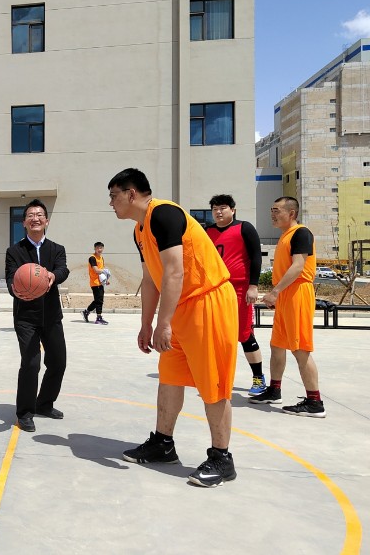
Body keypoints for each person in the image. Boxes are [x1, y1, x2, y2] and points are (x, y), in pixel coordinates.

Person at [108, 168, 239, 488]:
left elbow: (174, 272)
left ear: (131, 194)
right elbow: (151, 278)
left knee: (214, 384)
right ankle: (163, 443)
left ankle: (222, 458)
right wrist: (146, 323)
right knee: (169, 377)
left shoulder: (164, 214)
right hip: (180, 307)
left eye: (113, 196)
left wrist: (162, 323)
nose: (111, 203)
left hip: (206, 301)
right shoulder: (139, 230)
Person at [249, 197, 325, 417]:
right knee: (277, 345)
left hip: (297, 293)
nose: (272, 215)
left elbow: (298, 266)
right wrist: (278, 294)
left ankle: (315, 402)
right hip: (286, 295)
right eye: (271, 210)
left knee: (300, 349)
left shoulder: (301, 233)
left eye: (276, 210)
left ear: (291, 213)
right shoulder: (285, 235)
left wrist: (275, 292)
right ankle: (274, 391)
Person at [5, 199, 69, 433]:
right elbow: (11, 278)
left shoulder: (57, 249)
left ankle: (44, 403)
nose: (35, 218)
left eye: (40, 215)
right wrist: (16, 288)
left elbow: (63, 269)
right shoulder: (14, 251)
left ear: (46, 221)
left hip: (51, 315)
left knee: (58, 362)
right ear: (24, 222)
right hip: (26, 317)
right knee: (31, 364)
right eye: (30, 215)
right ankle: (24, 412)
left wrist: (53, 276)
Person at [205, 194, 266, 397]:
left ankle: (258, 378)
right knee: (217, 335)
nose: (218, 212)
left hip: (240, 289)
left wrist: (253, 286)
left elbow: (256, 257)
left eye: (222, 208)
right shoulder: (208, 232)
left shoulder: (244, 228)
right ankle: (218, 377)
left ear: (233, 210)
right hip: (216, 290)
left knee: (245, 334)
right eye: (215, 209)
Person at [81, 241, 109, 325]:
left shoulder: (101, 258)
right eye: (97, 248)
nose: (99, 249)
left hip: (100, 282)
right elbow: (96, 270)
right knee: (99, 301)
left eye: (101, 248)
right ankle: (98, 318)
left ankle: (86, 312)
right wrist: (105, 271)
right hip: (95, 282)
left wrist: (106, 279)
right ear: (94, 248)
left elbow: (101, 270)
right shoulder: (92, 258)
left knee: (98, 300)